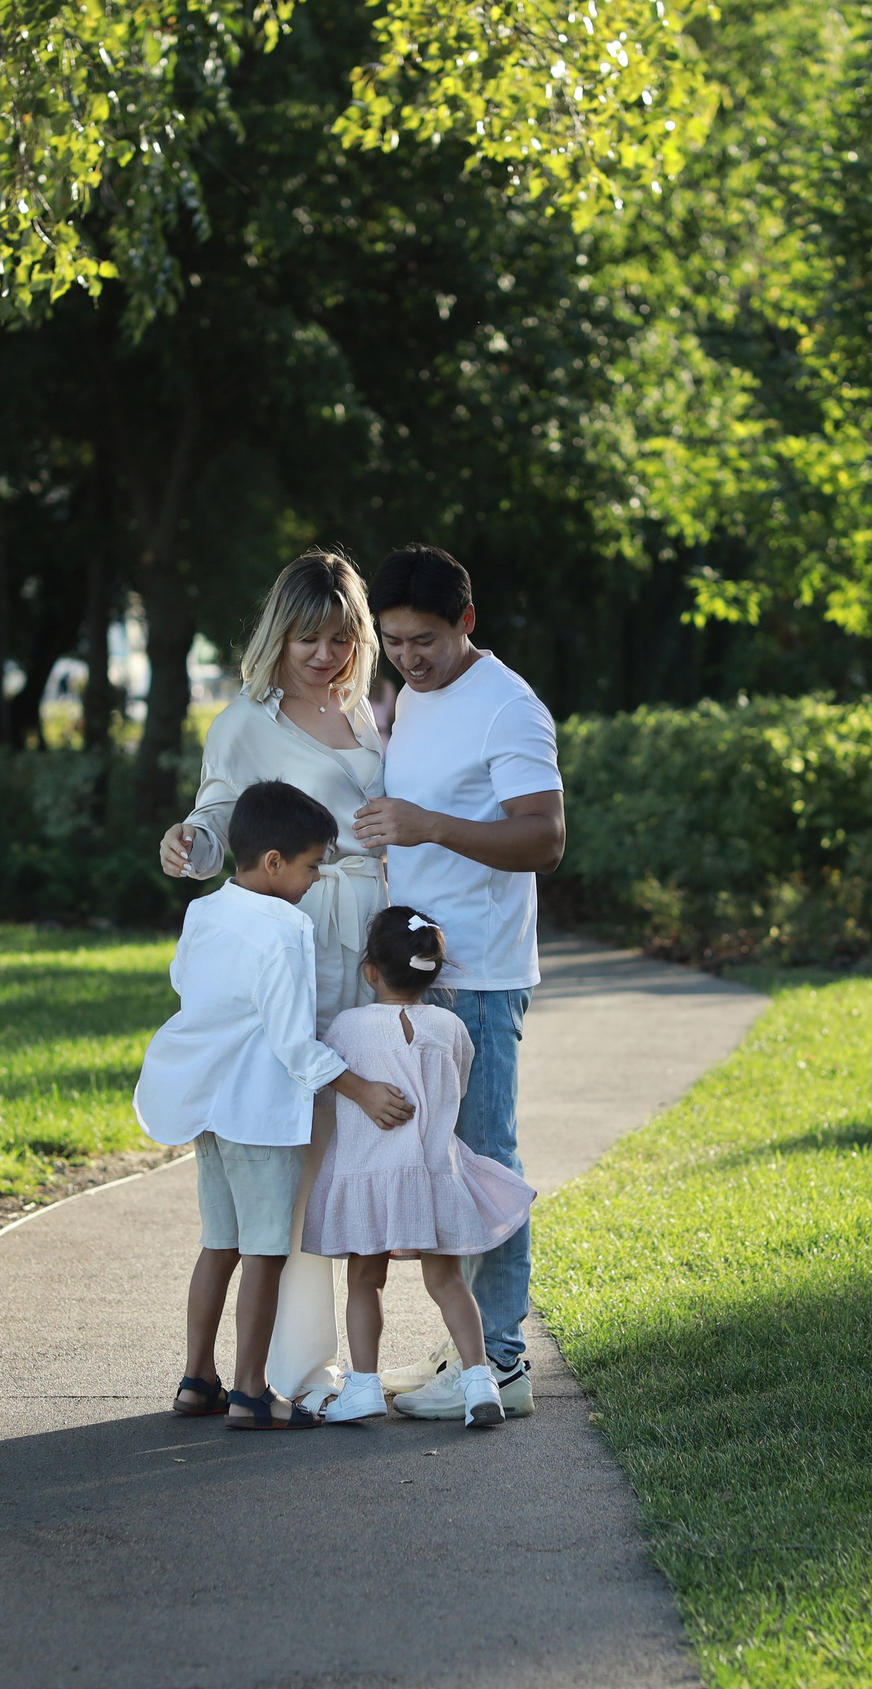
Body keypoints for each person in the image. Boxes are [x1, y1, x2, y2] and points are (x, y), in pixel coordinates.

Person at [157, 550, 388, 1404]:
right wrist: (191, 843)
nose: (323, 656)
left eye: (339, 638)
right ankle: (298, 1368)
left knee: (354, 1157)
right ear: (277, 637)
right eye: (306, 640)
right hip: (305, 937)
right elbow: (220, 817)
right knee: (302, 1149)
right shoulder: (246, 721)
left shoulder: (370, 714)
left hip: (374, 935)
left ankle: (348, 1361)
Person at [350, 545, 566, 1421]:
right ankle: (470, 1347)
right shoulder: (412, 695)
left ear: (466, 622)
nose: (408, 656)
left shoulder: (508, 708)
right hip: (416, 973)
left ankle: (507, 1362)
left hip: (477, 975)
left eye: (426, 639)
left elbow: (545, 838)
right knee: (441, 1165)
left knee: (483, 1161)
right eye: (393, 641)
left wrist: (428, 825)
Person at [133, 779, 415, 1430]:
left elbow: (185, 982)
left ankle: (196, 1377)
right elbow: (294, 1042)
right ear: (273, 863)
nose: (317, 879)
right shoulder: (286, 928)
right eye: (313, 865)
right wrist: (363, 1089)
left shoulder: (203, 912)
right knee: (264, 1251)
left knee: (219, 1243)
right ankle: (252, 1390)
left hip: (208, 1102)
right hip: (258, 1112)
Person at [302, 908, 536, 1427]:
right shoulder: (451, 1026)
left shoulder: (347, 1027)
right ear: (434, 971)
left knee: (365, 1281)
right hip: (433, 1175)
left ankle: (362, 1386)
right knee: (449, 1281)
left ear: (370, 971)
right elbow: (463, 1082)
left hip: (367, 1174)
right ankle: (480, 1381)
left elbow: (322, 1084)